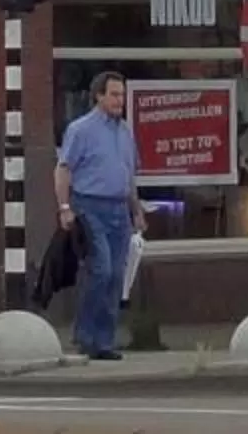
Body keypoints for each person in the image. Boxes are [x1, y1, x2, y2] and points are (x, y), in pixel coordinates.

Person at [52, 70, 142, 361]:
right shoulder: (81, 129)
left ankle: (103, 340)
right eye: (114, 95)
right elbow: (63, 168)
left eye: (122, 94)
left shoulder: (126, 131)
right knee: (100, 269)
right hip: (89, 206)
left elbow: (128, 175)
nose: (120, 101)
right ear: (99, 96)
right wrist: (64, 207)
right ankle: (85, 334)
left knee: (116, 275)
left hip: (119, 209)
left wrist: (136, 210)